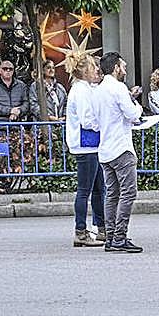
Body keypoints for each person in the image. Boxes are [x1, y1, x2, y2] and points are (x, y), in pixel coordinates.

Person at [93, 52, 143, 253]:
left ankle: (110, 237)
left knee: (112, 194)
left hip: (105, 149)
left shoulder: (97, 90)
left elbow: (93, 123)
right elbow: (132, 114)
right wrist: (136, 105)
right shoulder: (119, 88)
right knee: (128, 193)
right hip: (121, 147)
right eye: (123, 66)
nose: (125, 69)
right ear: (115, 68)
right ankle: (120, 237)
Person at [64, 52, 105, 248]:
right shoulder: (80, 90)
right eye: (93, 67)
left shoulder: (85, 88)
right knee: (85, 191)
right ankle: (80, 231)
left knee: (98, 189)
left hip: (90, 144)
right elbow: (87, 119)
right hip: (85, 144)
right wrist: (103, 124)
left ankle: (103, 227)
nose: (96, 70)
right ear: (85, 71)